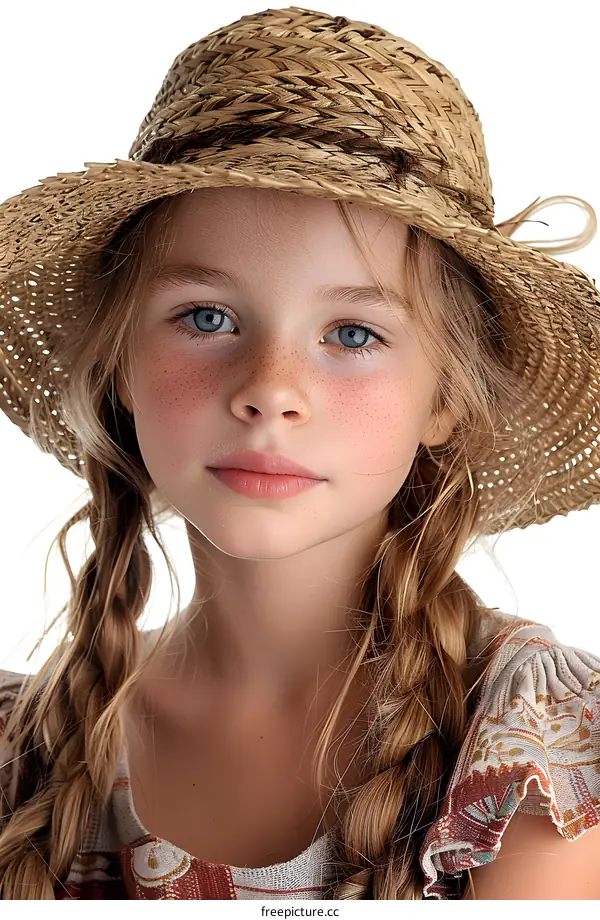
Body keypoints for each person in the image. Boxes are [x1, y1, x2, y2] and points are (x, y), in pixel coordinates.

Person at [0, 5, 599, 901]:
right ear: (120, 365)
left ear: (443, 399)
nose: (270, 389)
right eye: (208, 317)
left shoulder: (534, 744)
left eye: (353, 333)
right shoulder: (26, 757)